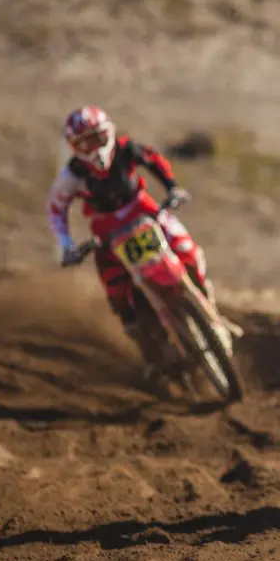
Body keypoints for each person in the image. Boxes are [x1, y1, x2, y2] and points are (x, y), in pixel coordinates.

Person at [48, 105, 211, 379]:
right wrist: (65, 244)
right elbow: (56, 208)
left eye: (97, 138)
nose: (93, 148)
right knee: (117, 292)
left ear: (108, 133)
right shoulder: (73, 175)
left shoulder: (126, 150)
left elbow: (154, 161)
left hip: (146, 213)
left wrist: (173, 187)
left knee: (188, 251)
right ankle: (150, 353)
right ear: (74, 146)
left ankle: (207, 302)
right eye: (84, 143)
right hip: (108, 233)